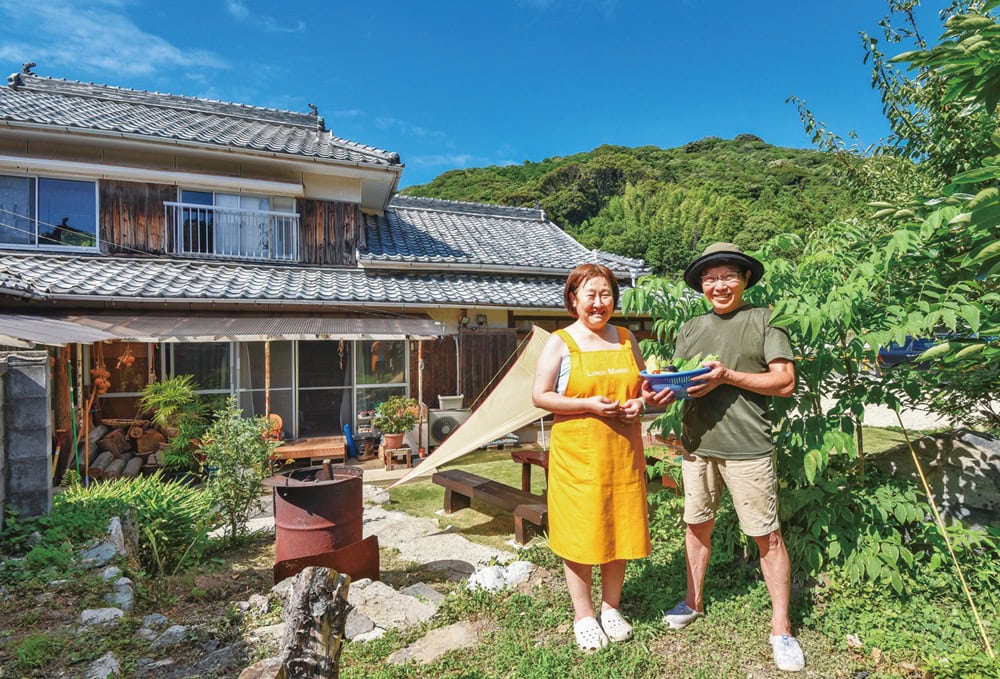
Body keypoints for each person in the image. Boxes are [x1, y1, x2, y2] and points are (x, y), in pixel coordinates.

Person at [651, 242, 805, 673]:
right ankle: (693, 601)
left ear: (744, 280)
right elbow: (680, 384)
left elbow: (784, 380)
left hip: (748, 447)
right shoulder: (691, 327)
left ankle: (782, 628)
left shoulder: (764, 319)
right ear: (702, 285)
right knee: (696, 525)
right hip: (697, 445)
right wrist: (661, 391)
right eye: (709, 278)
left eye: (727, 276)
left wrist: (727, 376)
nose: (718, 285)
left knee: (766, 535)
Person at [531, 263, 655, 652]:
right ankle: (583, 616)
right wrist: (587, 406)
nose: (599, 303)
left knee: (620, 528)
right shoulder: (561, 341)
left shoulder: (625, 339)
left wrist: (639, 402)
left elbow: (645, 389)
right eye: (590, 295)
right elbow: (541, 396)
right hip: (579, 458)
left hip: (623, 452)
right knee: (582, 533)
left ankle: (610, 608)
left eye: (606, 295)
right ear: (573, 300)